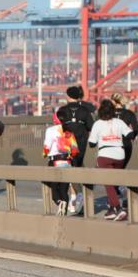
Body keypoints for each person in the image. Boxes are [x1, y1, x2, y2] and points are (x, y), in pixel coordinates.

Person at [88, 98, 134, 221]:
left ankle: (119, 208)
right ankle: (111, 210)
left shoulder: (97, 124)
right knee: (113, 182)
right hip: (120, 155)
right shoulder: (119, 122)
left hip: (105, 155)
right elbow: (130, 134)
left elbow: (91, 144)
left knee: (108, 184)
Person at [56, 85, 96, 213]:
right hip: (81, 143)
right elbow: (91, 126)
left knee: (68, 168)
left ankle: (76, 195)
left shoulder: (62, 110)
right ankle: (76, 196)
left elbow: (57, 127)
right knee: (76, 166)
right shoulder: (85, 111)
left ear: (68, 96)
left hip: (66, 143)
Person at [42, 113, 80, 216]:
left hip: (55, 161)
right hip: (67, 161)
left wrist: (44, 154)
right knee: (64, 190)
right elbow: (75, 150)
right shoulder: (69, 131)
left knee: (54, 189)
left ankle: (59, 203)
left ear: (55, 120)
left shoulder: (50, 130)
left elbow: (47, 147)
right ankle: (63, 212)